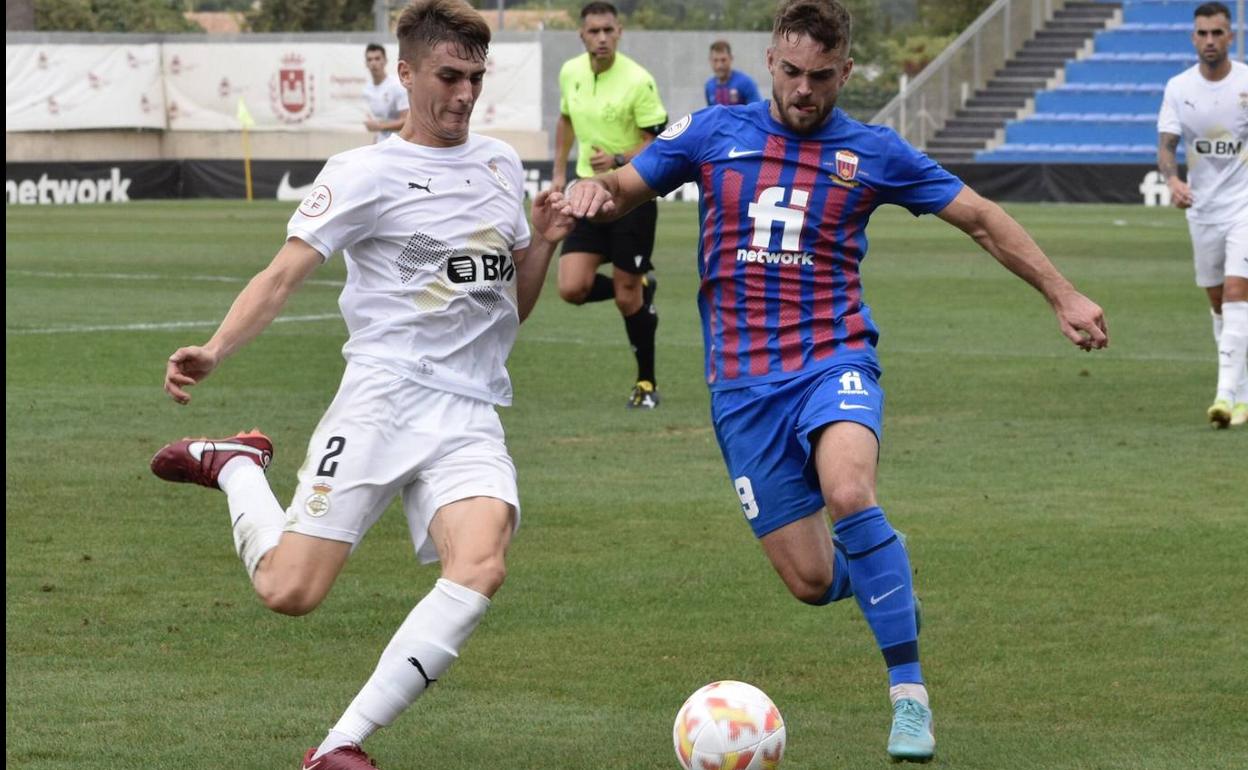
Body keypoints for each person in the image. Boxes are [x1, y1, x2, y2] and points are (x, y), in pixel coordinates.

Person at [560, 0, 1108, 762]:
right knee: (813, 581)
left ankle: (909, 697)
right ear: (770, 62)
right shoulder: (717, 131)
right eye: (790, 72)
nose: (803, 89)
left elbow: (980, 217)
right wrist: (595, 192)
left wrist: (1063, 292)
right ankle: (886, 564)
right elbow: (626, 186)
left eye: (821, 76)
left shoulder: (873, 151)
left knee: (851, 491)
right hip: (743, 388)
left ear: (846, 71)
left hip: (833, 358)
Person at [149, 3, 572, 768]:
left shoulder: (501, 166)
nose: (465, 94)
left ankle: (340, 746)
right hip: (382, 399)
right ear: (405, 73)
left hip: (471, 409)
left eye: (476, 77)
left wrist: (540, 241)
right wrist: (215, 349)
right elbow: (281, 278)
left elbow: (512, 307)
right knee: (290, 591)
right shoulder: (363, 173)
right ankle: (237, 464)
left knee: (481, 562)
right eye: (449, 75)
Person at [552, 1, 668, 409]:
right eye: (593, 31)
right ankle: (639, 283)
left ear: (619, 32)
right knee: (571, 287)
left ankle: (647, 383)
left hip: (631, 196)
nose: (601, 38)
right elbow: (565, 120)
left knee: (625, 299)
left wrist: (619, 160)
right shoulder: (570, 73)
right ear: (582, 35)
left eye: (608, 31)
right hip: (586, 193)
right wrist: (559, 174)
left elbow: (659, 141)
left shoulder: (638, 80)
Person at [1157, 1, 1248, 428]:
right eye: (1203, 33)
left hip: (1244, 207)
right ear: (1193, 38)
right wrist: (1172, 182)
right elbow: (1166, 146)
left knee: (1236, 293)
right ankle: (1243, 390)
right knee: (1218, 303)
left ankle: (1225, 395)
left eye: (1217, 32)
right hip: (1203, 210)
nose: (1210, 40)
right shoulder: (1179, 87)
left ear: (1230, 36)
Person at [363, 42, 409, 142]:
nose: (373, 63)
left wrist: (379, 126)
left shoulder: (397, 85)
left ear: (385, 61)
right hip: (381, 144)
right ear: (366, 63)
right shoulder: (367, 90)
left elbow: (407, 121)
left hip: (400, 143)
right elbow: (378, 120)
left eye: (377, 58)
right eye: (370, 59)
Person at [705, 40, 762, 106]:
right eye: (715, 60)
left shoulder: (745, 83)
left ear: (731, 58)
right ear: (710, 60)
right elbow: (710, 113)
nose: (719, 65)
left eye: (723, 60)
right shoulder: (709, 86)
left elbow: (756, 111)